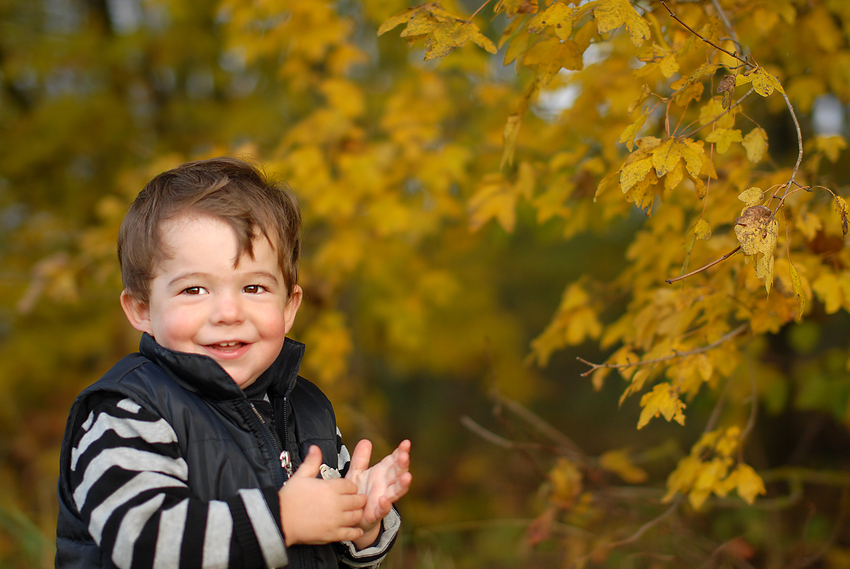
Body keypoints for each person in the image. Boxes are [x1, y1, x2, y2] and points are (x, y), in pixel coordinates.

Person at [55, 157, 412, 569]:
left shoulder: (308, 412)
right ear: (141, 308)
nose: (228, 311)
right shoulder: (127, 412)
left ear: (289, 306)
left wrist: (359, 521)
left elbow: (325, 553)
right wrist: (284, 520)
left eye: (254, 286)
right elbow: (142, 542)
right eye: (194, 289)